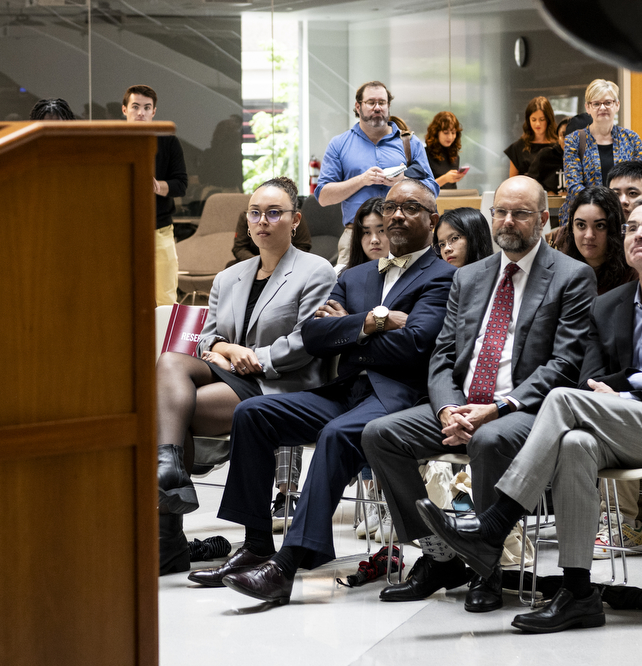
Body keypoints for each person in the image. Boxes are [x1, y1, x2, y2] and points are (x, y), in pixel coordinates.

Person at [416, 198, 642, 634]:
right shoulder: (609, 306)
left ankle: (494, 523)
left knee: (563, 400)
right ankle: (579, 592)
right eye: (631, 227)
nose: (638, 233)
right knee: (574, 442)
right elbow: (591, 381)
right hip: (615, 423)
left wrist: (630, 386)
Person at [192, 181, 455, 604]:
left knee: (335, 434)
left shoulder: (444, 277)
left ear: (433, 220)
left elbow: (416, 343)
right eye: (391, 207)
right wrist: (374, 321)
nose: (398, 215)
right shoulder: (355, 275)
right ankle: (257, 543)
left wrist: (348, 328)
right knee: (254, 413)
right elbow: (314, 335)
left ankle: (286, 566)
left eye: (412, 207)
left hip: (398, 396)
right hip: (344, 389)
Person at [362, 176, 596, 613]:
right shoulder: (468, 277)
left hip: (525, 407)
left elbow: (565, 364)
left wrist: (496, 408)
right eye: (501, 212)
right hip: (462, 402)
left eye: (521, 213)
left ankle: (487, 569)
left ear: (544, 219)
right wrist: (449, 407)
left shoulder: (571, 276)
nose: (508, 221)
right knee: (380, 434)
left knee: (489, 439)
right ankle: (439, 556)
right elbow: (443, 354)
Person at [155, 178, 337, 574]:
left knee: (169, 413)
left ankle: (168, 542)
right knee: (169, 362)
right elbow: (206, 339)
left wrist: (243, 356)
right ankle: (167, 471)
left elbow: (307, 341)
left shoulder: (316, 270)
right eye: (255, 213)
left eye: (274, 213)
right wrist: (225, 348)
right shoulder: (229, 276)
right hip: (232, 376)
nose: (262, 222)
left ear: (295, 220)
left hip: (280, 382)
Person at [314, 81, 440, 270]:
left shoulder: (410, 143)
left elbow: (433, 190)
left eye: (382, 102)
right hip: (357, 236)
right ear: (358, 106)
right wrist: (361, 180)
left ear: (388, 106)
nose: (377, 107)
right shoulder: (339, 144)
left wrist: (402, 182)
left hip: (404, 232)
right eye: (371, 102)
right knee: (348, 292)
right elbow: (324, 196)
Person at [121, 85, 187, 306]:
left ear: (154, 112)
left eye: (147, 108)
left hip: (159, 230)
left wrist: (156, 186)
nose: (141, 113)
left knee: (165, 298)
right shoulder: (113, 142)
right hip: (120, 231)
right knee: (122, 296)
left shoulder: (168, 142)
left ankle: (165, 342)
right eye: (136, 106)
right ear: (124, 109)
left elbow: (181, 184)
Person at [561, 79, 642, 222]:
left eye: (608, 102)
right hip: (585, 219)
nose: (602, 108)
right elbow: (574, 187)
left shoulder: (632, 139)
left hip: (623, 216)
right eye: (596, 104)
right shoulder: (573, 140)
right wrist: (603, 206)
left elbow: (640, 181)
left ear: (617, 105)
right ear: (588, 107)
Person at [559, 185, 634, 294]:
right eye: (581, 225)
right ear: (572, 228)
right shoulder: (560, 270)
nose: (589, 235)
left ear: (614, 228)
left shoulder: (632, 275)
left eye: (600, 226)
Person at [506, 96, 564, 191]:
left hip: (555, 200)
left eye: (542, 119)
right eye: (533, 119)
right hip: (525, 199)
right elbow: (512, 184)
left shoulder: (560, 146)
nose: (537, 124)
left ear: (549, 120)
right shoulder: (518, 147)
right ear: (528, 120)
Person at [232, 209, 313, 262]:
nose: (262, 221)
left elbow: (303, 245)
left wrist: (279, 261)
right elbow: (239, 248)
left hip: (289, 261)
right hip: (253, 260)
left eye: (274, 213)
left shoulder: (291, 216)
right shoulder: (246, 215)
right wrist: (259, 262)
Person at [343, 197, 388, 273]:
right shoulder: (345, 278)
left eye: (381, 231)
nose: (374, 240)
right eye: (366, 232)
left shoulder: (410, 276)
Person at [425, 111, 466, 188]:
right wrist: (445, 179)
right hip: (433, 198)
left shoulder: (454, 156)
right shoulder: (424, 154)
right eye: (446, 133)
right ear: (436, 133)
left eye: (453, 133)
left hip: (452, 198)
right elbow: (422, 188)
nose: (450, 137)